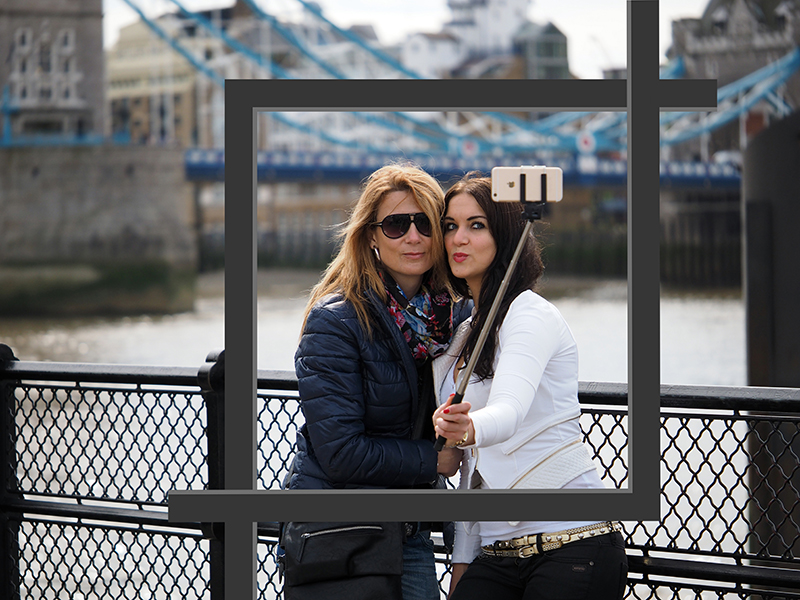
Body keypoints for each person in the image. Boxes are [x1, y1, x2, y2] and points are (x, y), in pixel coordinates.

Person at [431, 173, 628, 600]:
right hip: (497, 552)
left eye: (476, 225)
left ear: (506, 234)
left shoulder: (530, 314)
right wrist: (462, 564)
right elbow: (471, 471)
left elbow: (510, 409)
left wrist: (465, 429)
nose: (458, 238)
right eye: (450, 226)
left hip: (573, 541)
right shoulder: (463, 337)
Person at [285, 163, 472, 600]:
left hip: (409, 531)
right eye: (395, 224)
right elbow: (339, 452)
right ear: (371, 235)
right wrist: (433, 461)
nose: (413, 237)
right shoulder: (335, 321)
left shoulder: (455, 320)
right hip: (343, 535)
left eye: (425, 223)